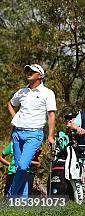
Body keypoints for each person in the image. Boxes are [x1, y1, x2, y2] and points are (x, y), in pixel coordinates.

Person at [6, 64, 56, 197]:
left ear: (40, 75)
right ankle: (23, 201)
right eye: (27, 70)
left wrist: (50, 136)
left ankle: (10, 196)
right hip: (17, 133)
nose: (28, 72)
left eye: (32, 71)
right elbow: (10, 104)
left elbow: (51, 115)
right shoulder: (22, 91)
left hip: (34, 134)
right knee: (19, 169)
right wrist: (15, 117)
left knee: (23, 166)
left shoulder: (47, 93)